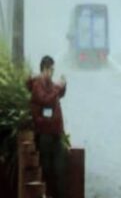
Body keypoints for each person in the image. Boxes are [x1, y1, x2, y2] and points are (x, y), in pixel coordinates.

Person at [29, 55, 67, 198]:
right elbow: (45, 99)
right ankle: (48, 194)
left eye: (53, 69)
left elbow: (59, 93)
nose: (52, 72)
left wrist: (63, 85)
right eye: (51, 69)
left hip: (55, 132)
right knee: (46, 169)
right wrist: (58, 89)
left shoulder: (50, 83)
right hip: (44, 133)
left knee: (59, 168)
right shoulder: (37, 84)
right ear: (44, 69)